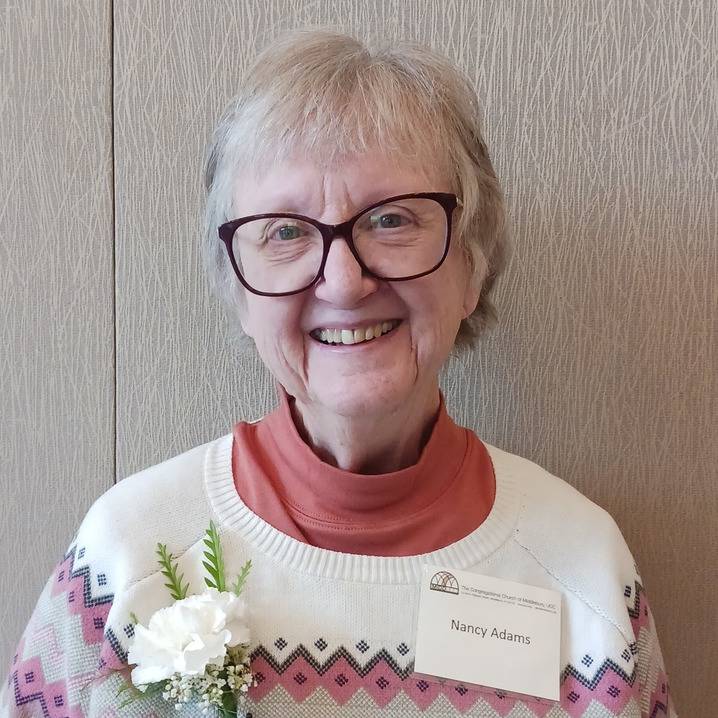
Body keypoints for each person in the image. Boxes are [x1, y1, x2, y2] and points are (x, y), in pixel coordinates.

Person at [1, 29, 676, 718]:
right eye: (286, 231)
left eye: (391, 219)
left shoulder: (583, 567)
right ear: (238, 292)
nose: (345, 282)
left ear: (473, 266)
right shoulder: (125, 555)